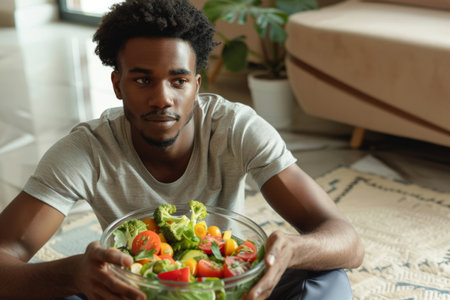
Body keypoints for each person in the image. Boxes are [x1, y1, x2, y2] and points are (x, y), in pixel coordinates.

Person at [0, 0, 364, 299]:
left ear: (197, 85)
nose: (162, 99)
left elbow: (348, 242)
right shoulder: (86, 151)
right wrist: (70, 274)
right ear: (117, 84)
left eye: (178, 80)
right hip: (134, 291)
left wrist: (291, 250)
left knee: (327, 280)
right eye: (142, 79)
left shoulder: (235, 128)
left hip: (229, 288)